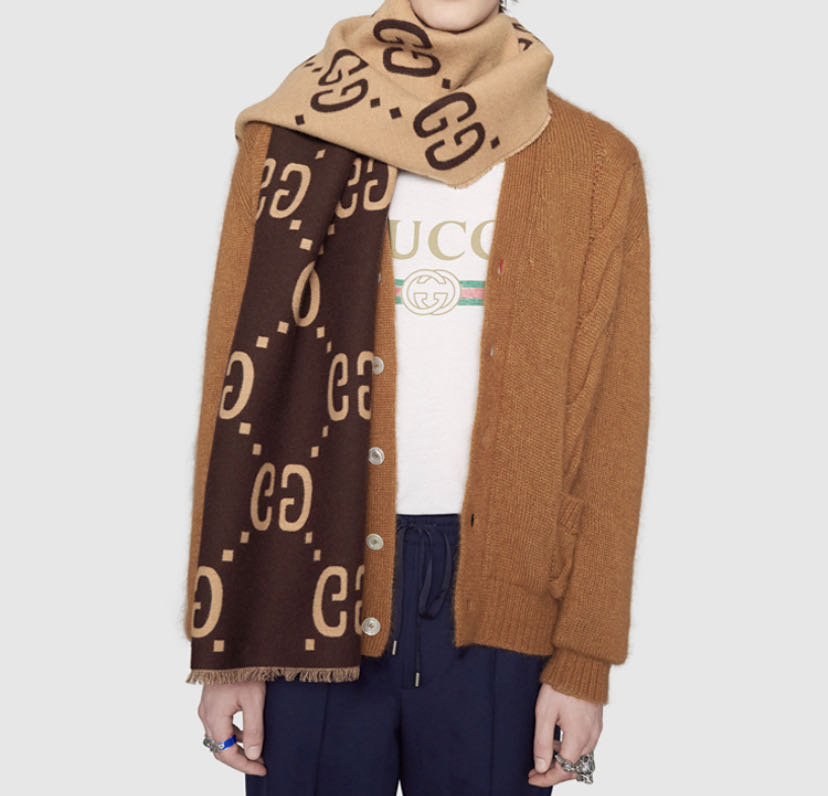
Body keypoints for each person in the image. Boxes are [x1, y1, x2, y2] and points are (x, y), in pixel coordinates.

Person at [185, 0, 650, 793]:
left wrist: (584, 660)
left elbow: (613, 424)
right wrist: (228, 645)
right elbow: (233, 399)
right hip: (304, 573)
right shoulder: (291, 135)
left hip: (507, 597)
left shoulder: (595, 161)